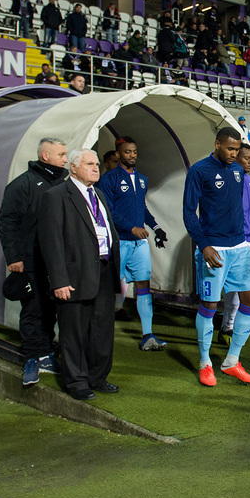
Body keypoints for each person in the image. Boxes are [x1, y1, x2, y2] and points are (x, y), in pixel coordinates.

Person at [38, 149, 120, 401]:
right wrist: (59, 280)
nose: (96, 168)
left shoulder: (98, 194)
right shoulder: (56, 196)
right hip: (74, 275)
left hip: (103, 271)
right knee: (74, 332)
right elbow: (51, 242)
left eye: (97, 164)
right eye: (89, 164)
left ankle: (98, 377)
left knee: (102, 329)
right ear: (73, 168)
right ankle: (76, 381)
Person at [183, 128, 250, 386]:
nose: (234, 154)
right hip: (213, 248)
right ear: (217, 144)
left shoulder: (238, 170)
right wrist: (203, 245)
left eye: (237, 149)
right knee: (210, 304)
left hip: (240, 247)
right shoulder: (199, 171)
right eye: (230, 149)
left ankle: (232, 361)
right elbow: (189, 213)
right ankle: (205, 363)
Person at [0, 138, 68, 386]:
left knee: (51, 309)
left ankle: (47, 354)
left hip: (56, 262)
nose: (65, 159)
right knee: (33, 310)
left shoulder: (66, 182)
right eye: (61, 154)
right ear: (45, 156)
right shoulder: (22, 184)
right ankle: (31, 357)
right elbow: (7, 222)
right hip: (30, 261)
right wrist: (14, 257)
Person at [97, 138, 170, 351]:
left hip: (139, 244)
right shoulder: (108, 180)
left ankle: (148, 336)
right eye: (128, 152)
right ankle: (98, 333)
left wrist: (156, 228)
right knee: (107, 286)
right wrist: (131, 228)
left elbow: (142, 208)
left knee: (143, 285)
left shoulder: (142, 179)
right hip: (118, 241)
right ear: (118, 154)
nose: (132, 155)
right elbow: (108, 211)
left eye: (135, 151)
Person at [219, 144, 250, 344]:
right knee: (227, 291)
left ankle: (229, 329)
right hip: (229, 242)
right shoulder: (226, 180)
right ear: (236, 158)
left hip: (248, 243)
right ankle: (225, 328)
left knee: (244, 291)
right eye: (246, 158)